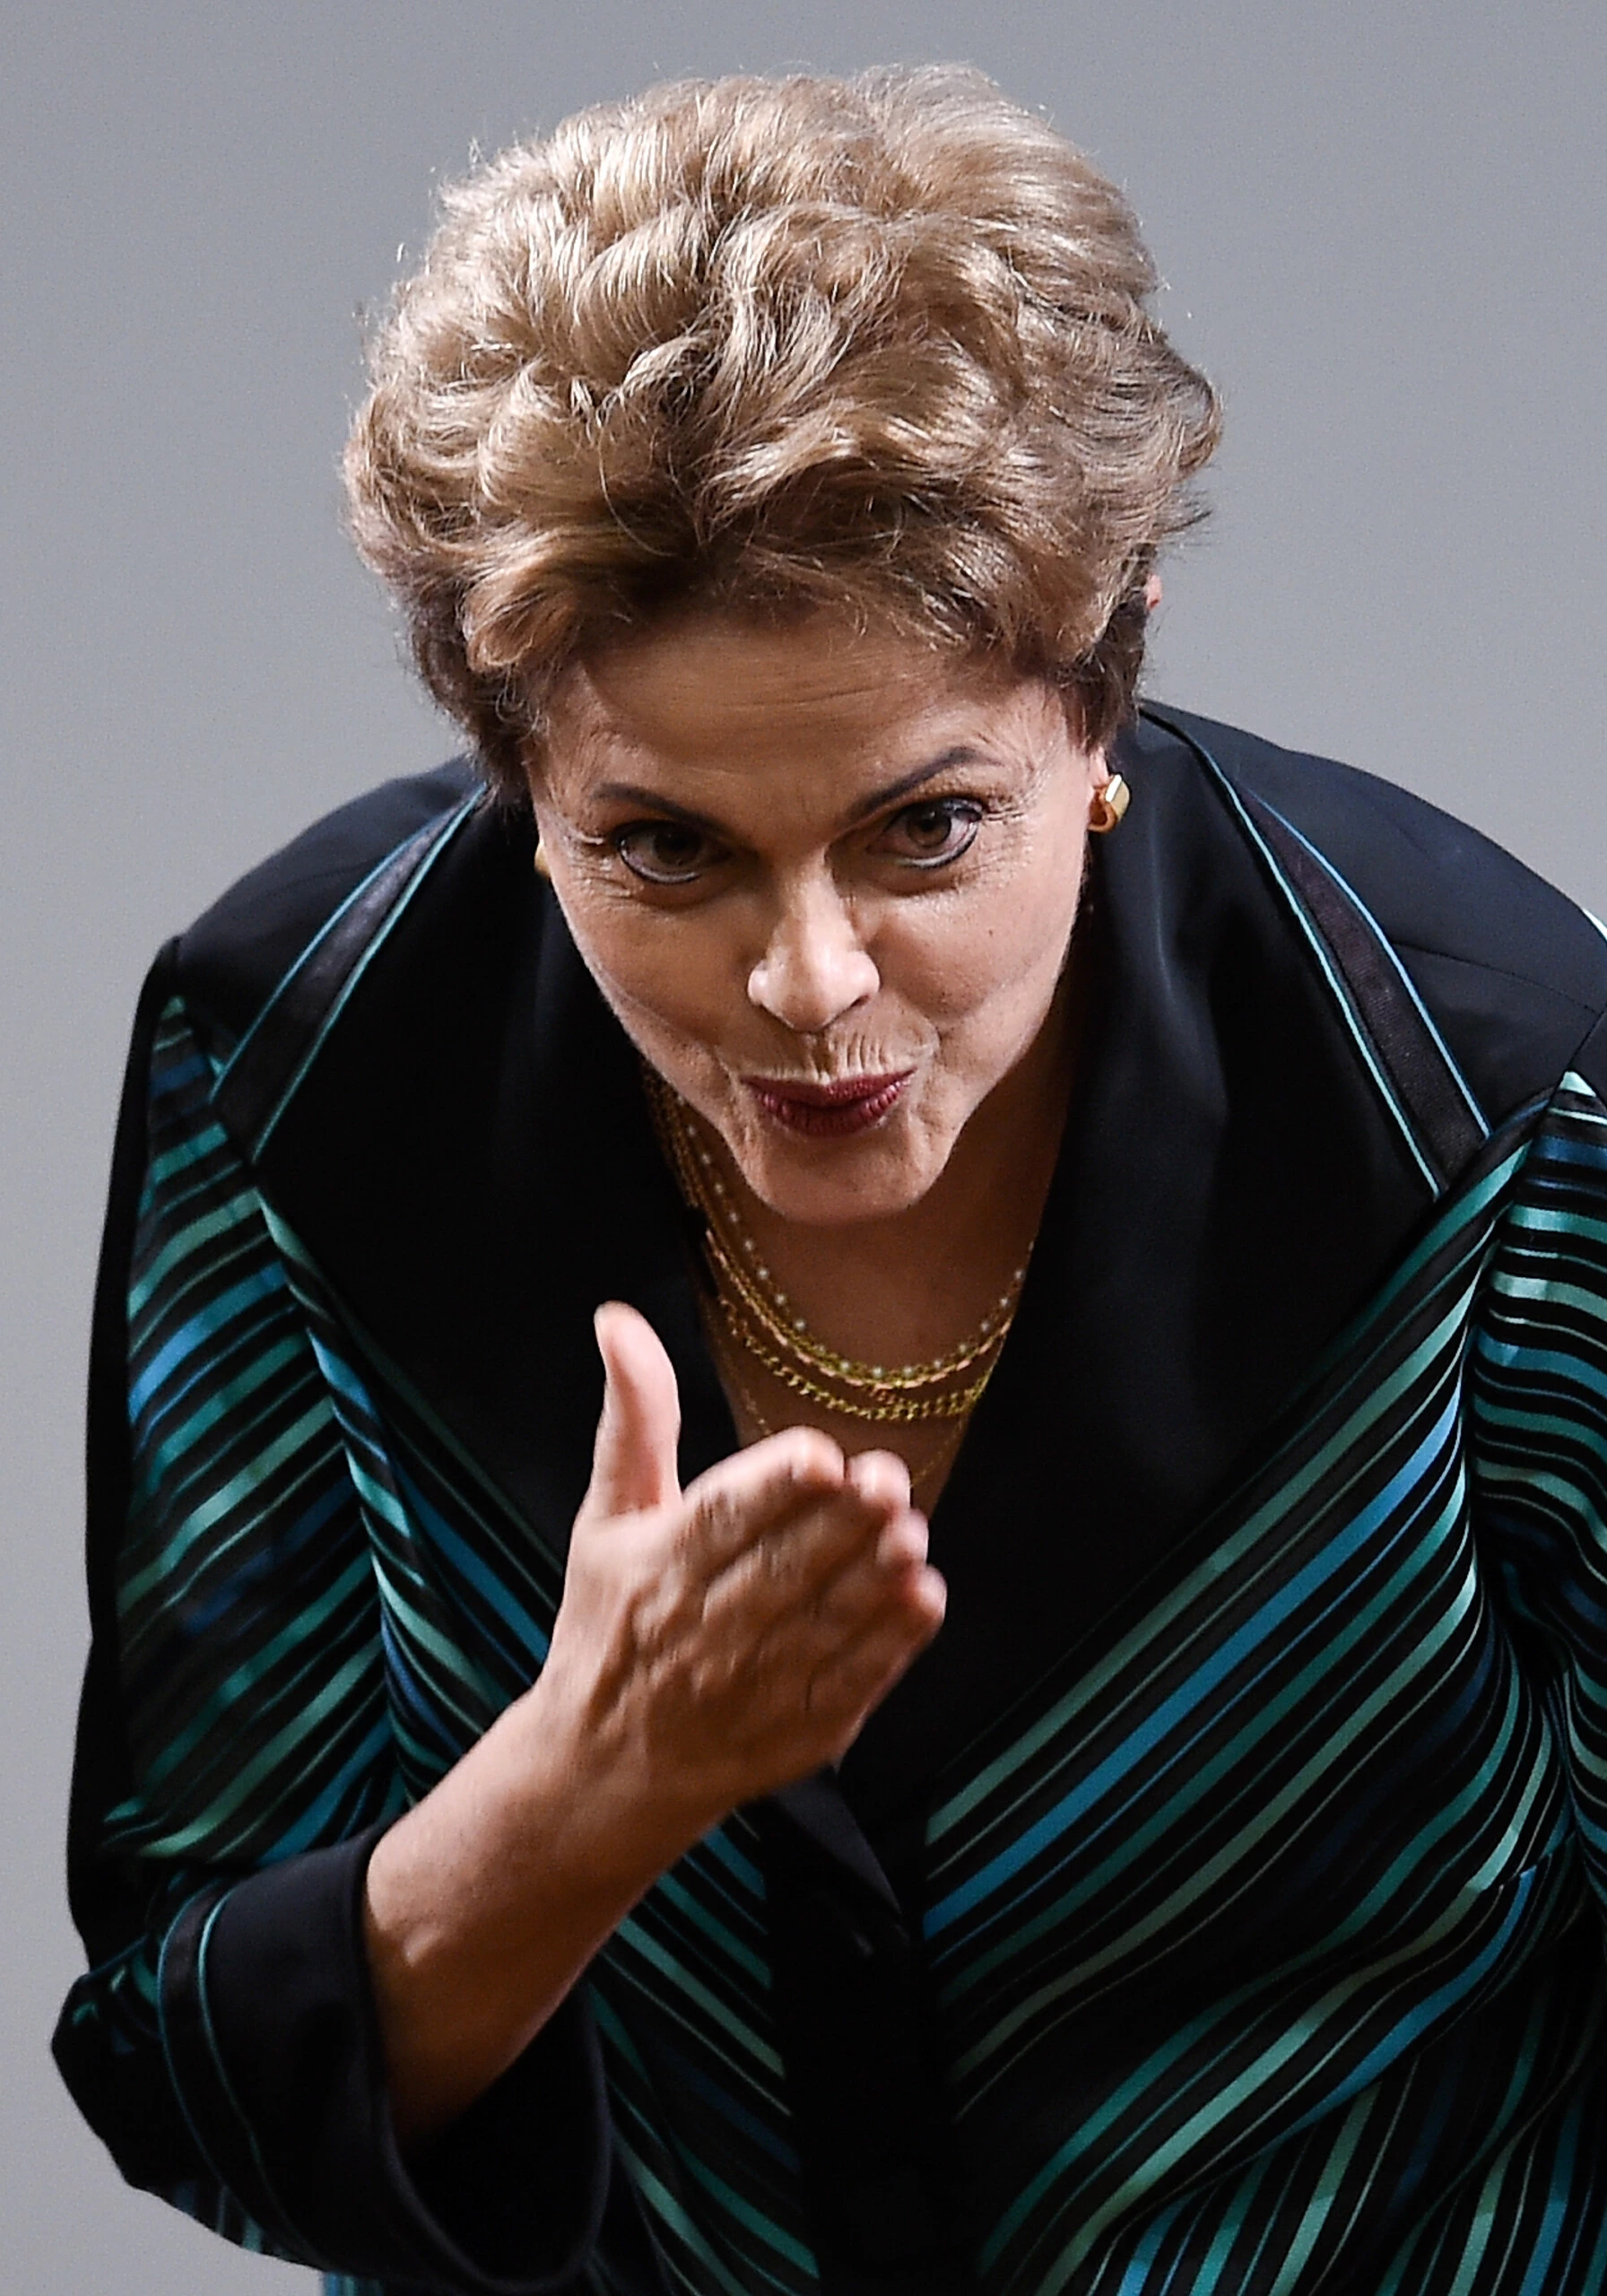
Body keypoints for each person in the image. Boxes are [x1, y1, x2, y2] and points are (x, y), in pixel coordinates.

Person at [53, 64, 1607, 2296]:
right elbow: (188, 2063)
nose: (805, 980)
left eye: (921, 828)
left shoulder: (1489, 1110)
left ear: (1102, 708)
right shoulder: (296, 1077)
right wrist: (575, 1801)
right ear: (515, 775)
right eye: (662, 847)